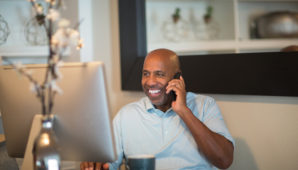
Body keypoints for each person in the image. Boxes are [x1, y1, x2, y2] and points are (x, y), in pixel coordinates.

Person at [81, 48, 234, 170]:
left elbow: (224, 160)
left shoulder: (205, 106)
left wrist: (183, 111)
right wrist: (95, 164)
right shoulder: (126, 115)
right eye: (146, 74)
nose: (150, 82)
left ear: (177, 78)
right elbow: (107, 164)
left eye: (159, 74)